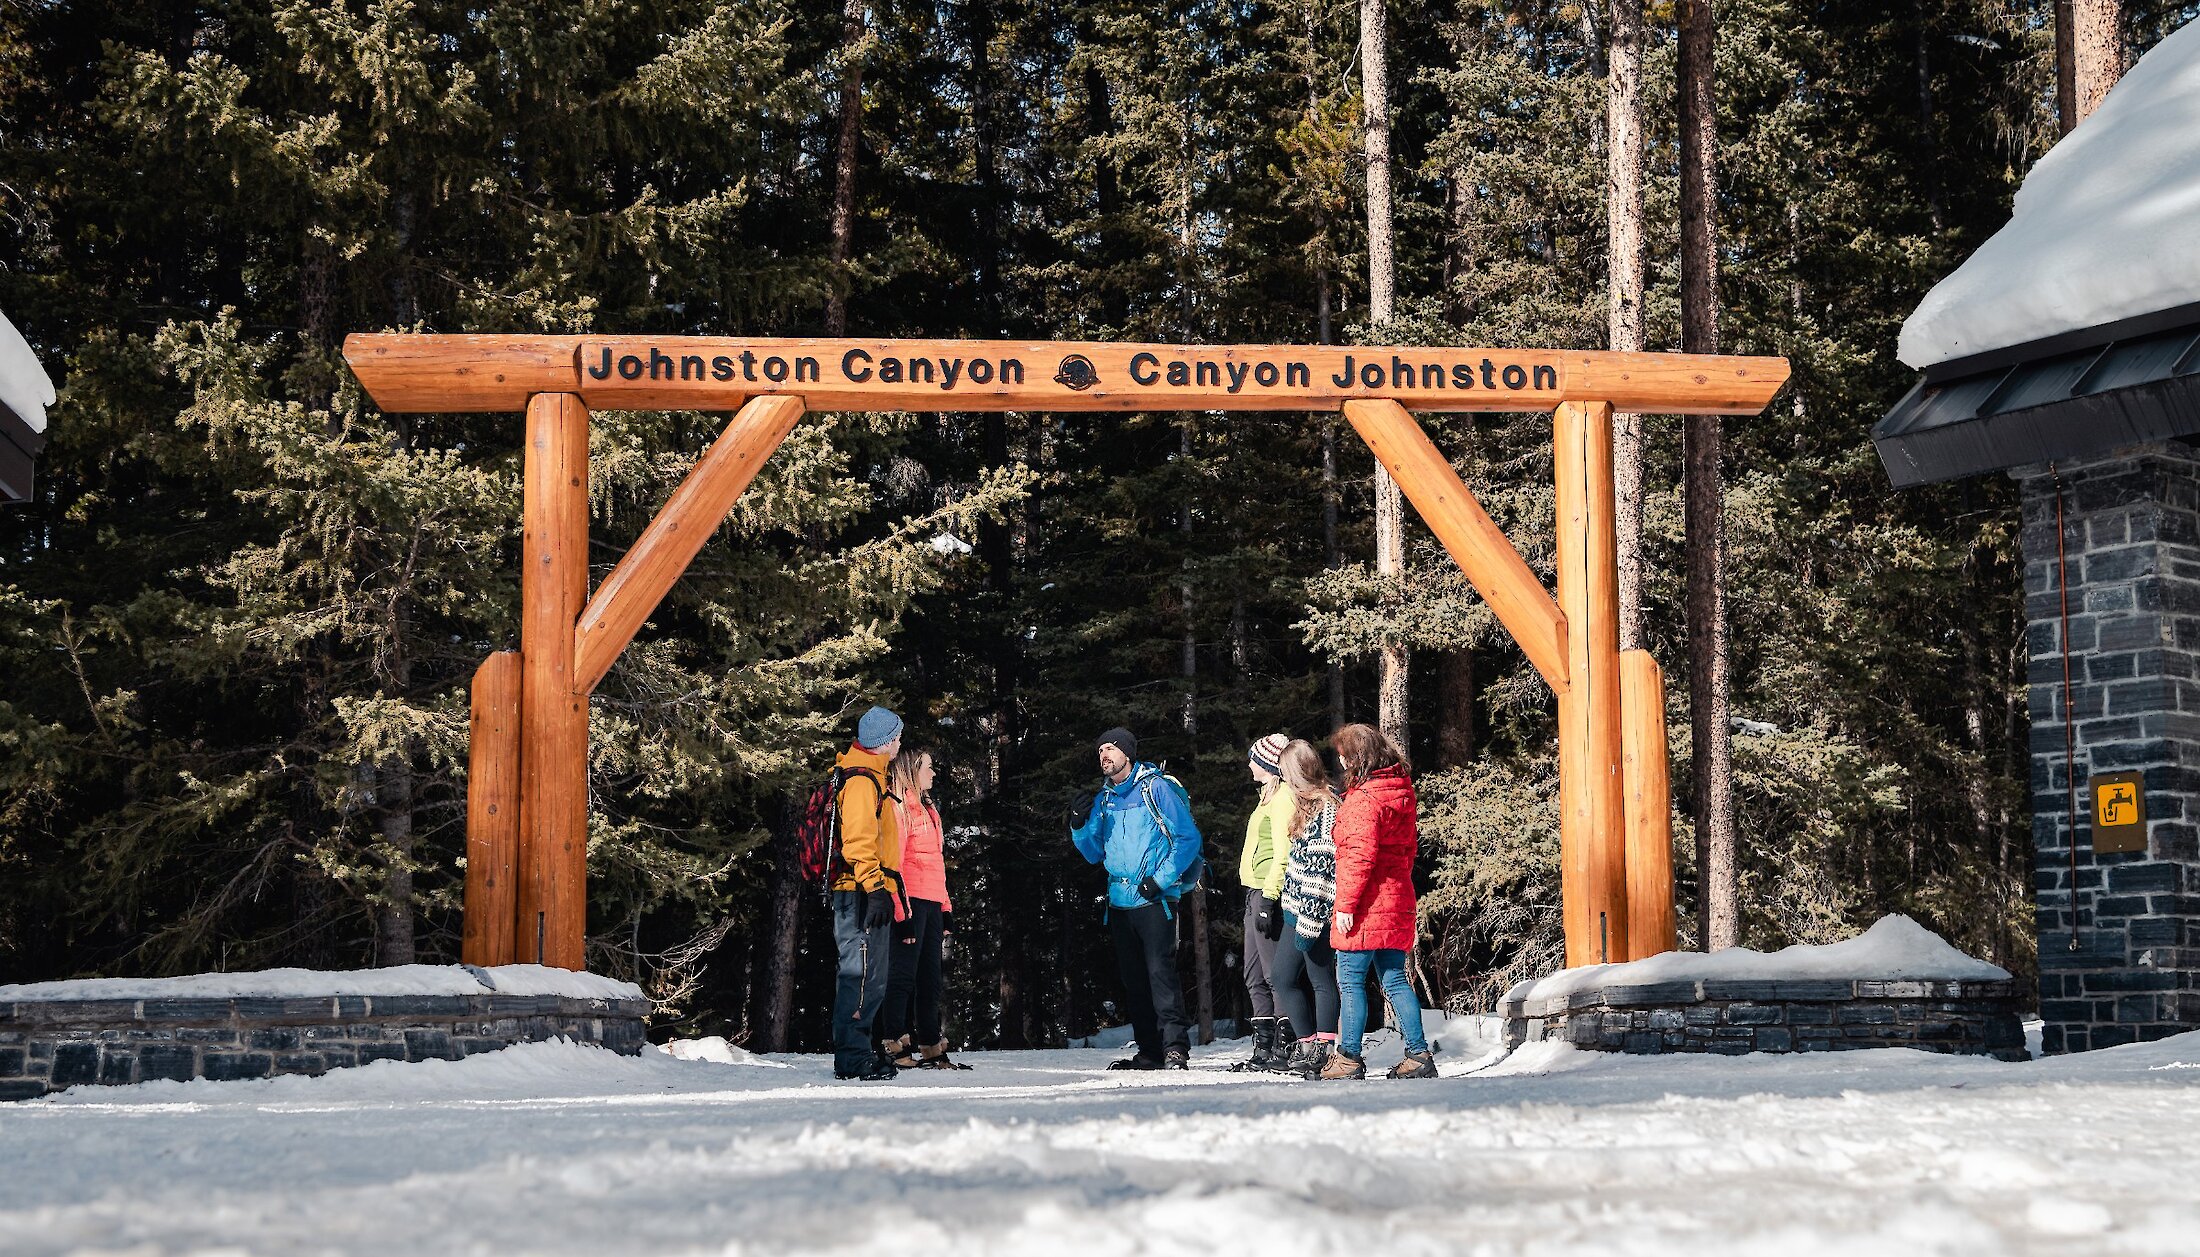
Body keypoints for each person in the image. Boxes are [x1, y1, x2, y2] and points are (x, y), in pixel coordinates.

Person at [1068, 726, 1203, 1070]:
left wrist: (1160, 881)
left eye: (1110, 749)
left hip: (1155, 900)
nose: (1104, 756)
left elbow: (1188, 839)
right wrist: (1078, 824)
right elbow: (1093, 853)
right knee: (1134, 981)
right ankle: (1149, 1051)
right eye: (1100, 751)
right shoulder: (1105, 799)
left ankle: (1175, 1047)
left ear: (1127, 752)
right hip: (1119, 903)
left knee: (1161, 974)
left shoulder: (1155, 789)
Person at [1321, 723, 1435, 1080]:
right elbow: (1407, 850)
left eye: (1343, 755)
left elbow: (1358, 857)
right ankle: (1418, 1054)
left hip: (1367, 904)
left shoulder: (1362, 800)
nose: (1340, 762)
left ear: (1355, 757)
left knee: (1351, 981)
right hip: (1397, 896)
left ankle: (1348, 1058)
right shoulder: (1400, 791)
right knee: (1395, 980)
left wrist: (1346, 906)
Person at [830, 705, 906, 1081]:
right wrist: (875, 888)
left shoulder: (874, 775)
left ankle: (862, 1050)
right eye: (897, 737)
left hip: (869, 889)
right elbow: (858, 842)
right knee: (858, 975)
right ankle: (852, 1058)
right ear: (884, 743)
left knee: (871, 978)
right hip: (860, 890)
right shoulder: (862, 780)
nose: (899, 743)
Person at [880, 746, 966, 1069]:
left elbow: (937, 862)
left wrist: (946, 907)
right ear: (912, 771)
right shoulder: (897, 806)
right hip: (910, 901)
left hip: (931, 901)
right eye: (928, 768)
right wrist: (901, 914)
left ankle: (930, 1043)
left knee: (931, 977)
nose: (933, 773)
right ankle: (893, 1040)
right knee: (903, 974)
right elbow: (895, 864)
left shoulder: (929, 808)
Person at [1267, 738, 1343, 1078]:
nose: (1282, 781)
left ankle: (1323, 1047)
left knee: (1315, 977)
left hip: (1315, 913)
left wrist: (1309, 924)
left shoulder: (1327, 808)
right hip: (1296, 909)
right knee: (1285, 977)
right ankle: (1308, 1043)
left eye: (1285, 774)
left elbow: (1322, 870)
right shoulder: (1306, 806)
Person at [1232, 733, 1296, 1072]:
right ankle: (1263, 1048)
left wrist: (1270, 898)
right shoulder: (1266, 798)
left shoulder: (1284, 797)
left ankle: (1285, 1048)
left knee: (1274, 974)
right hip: (1254, 891)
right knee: (1253, 974)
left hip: (1268, 893)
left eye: (1254, 759)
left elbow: (1283, 852)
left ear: (1269, 764)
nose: (1249, 764)